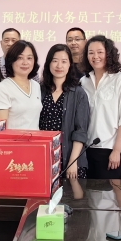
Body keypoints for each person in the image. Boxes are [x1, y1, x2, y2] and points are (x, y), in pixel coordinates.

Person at [81, 35, 121, 179]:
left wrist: (117, 151)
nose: (95, 56)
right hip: (85, 150)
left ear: (109, 54)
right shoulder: (83, 81)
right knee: (87, 193)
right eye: (91, 53)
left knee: (108, 193)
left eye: (100, 52)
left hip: (109, 150)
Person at [39, 44, 90, 179]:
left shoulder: (78, 93)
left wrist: (72, 162)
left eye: (64, 61)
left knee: (72, 193)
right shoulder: (40, 90)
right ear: (48, 63)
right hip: (43, 156)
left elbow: (81, 131)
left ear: (69, 65)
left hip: (69, 158)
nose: (59, 66)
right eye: (55, 61)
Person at [0, 40, 42, 130]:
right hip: (13, 139)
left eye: (29, 58)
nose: (25, 62)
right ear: (11, 61)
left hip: (35, 138)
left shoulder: (36, 86)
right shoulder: (2, 88)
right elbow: (0, 130)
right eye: (20, 58)